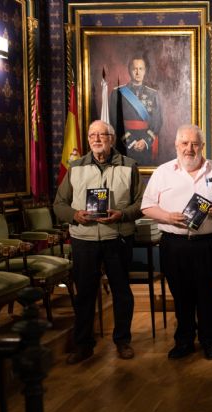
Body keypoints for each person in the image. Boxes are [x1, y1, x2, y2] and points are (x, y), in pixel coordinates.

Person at [54, 120, 143, 364]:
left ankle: (123, 341)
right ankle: (83, 345)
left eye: (101, 135)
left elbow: (140, 204)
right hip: (84, 239)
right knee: (85, 294)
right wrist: (74, 215)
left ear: (112, 139)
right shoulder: (75, 167)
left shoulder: (129, 165)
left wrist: (122, 215)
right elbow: (59, 204)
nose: (96, 139)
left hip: (118, 238)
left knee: (122, 293)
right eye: (92, 135)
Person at [141, 124, 212, 360]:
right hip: (174, 244)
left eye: (195, 143)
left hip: (207, 243)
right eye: (185, 143)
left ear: (202, 146)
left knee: (208, 294)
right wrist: (167, 216)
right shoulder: (163, 171)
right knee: (181, 295)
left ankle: (210, 341)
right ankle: (184, 341)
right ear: (176, 145)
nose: (190, 148)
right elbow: (146, 206)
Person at [109, 54, 162, 166]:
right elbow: (115, 122)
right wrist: (130, 141)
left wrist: (145, 141)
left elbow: (157, 122)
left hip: (146, 143)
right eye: (134, 69)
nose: (137, 72)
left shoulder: (153, 94)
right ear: (129, 71)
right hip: (125, 144)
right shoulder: (117, 93)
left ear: (145, 71)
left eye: (140, 69)